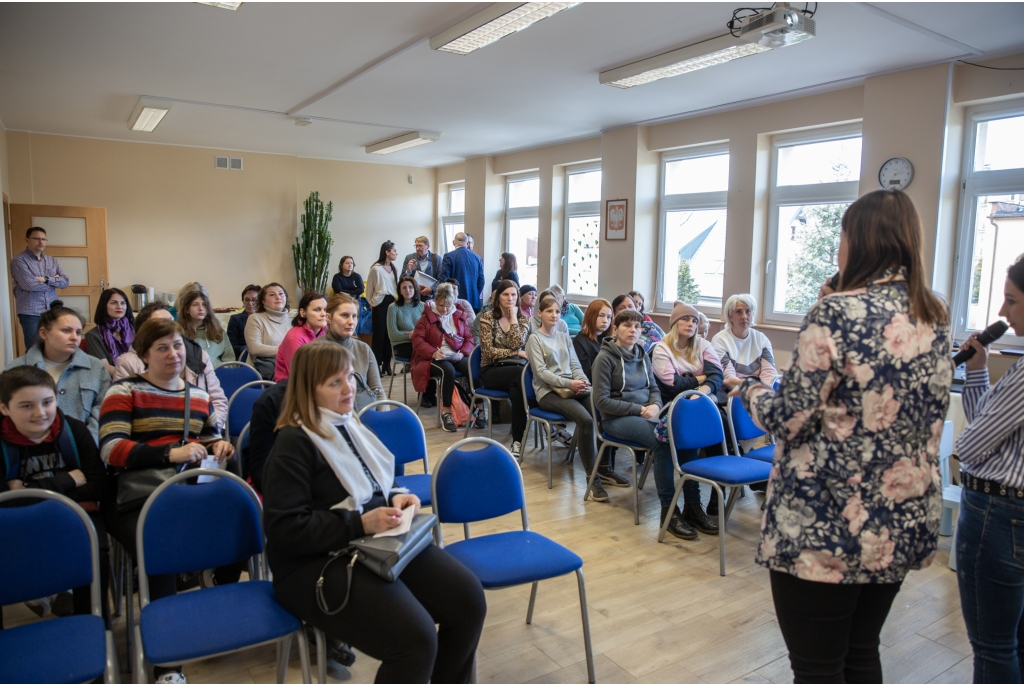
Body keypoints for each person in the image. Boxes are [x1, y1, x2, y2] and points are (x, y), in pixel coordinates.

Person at [736, 189, 951, 684]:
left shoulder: (835, 314)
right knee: (860, 653)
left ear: (858, 241)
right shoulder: (934, 315)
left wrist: (749, 391)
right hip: (898, 517)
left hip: (827, 523)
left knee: (817, 668)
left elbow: (790, 418)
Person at [262, 341, 486, 683]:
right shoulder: (294, 441)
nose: (349, 388)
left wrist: (397, 496)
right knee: (416, 640)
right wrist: (359, 523)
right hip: (313, 564)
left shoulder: (347, 423)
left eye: (349, 377)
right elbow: (284, 529)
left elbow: (374, 482)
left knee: (469, 601)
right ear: (308, 390)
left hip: (372, 542)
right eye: (334, 383)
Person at [100, 317, 235, 684]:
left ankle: (215, 593)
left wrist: (218, 444)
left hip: (187, 493)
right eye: (162, 348)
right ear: (144, 355)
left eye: (177, 346)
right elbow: (111, 449)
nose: (173, 354)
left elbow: (208, 437)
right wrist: (168, 454)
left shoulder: (199, 396)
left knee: (242, 522)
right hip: (139, 497)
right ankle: (168, 666)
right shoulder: (124, 391)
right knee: (164, 544)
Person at [954, 253, 1024, 683]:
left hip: (998, 518)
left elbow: (970, 445)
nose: (1001, 312)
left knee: (994, 648)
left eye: (1011, 300)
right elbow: (990, 432)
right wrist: (977, 371)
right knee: (1015, 637)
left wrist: (967, 440)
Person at [0, 366, 114, 624]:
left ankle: (95, 626)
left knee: (95, 548)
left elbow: (98, 485)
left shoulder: (73, 431)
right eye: (26, 406)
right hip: (16, 526)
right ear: (4, 408)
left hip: (75, 516)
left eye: (47, 402)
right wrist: (67, 479)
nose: (40, 413)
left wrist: (26, 491)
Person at [593, 309, 693, 540]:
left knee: (684, 435)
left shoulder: (643, 354)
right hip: (615, 419)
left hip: (647, 414)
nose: (633, 330)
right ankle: (669, 511)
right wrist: (639, 409)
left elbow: (654, 389)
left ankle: (693, 504)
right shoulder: (605, 358)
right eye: (627, 325)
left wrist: (656, 406)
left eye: (637, 326)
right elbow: (601, 402)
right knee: (662, 443)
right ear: (615, 329)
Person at [527, 294, 621, 500]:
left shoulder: (563, 336)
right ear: (540, 314)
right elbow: (541, 373)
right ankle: (592, 479)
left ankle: (605, 467)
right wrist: (570, 383)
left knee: (601, 408)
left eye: (557, 311)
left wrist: (583, 382)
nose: (554, 315)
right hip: (548, 392)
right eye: (549, 311)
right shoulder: (534, 339)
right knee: (586, 420)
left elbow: (575, 365)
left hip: (572, 386)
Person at [650, 300, 724, 537]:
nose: (691, 323)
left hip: (700, 406)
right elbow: (672, 385)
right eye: (685, 319)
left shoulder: (703, 344)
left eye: (694, 320)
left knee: (714, 432)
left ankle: (694, 506)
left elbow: (717, 375)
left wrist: (702, 391)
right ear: (674, 323)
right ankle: (669, 511)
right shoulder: (662, 348)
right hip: (669, 408)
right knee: (671, 444)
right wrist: (700, 380)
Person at [5, 301, 111, 443]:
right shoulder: (17, 368)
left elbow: (103, 409)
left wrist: (87, 443)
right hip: (32, 450)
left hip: (84, 445)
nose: (75, 337)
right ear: (44, 333)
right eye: (66, 331)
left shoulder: (95, 367)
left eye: (78, 332)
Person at [114, 301, 229, 431]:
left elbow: (218, 401)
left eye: (171, 321)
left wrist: (207, 434)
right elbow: (122, 423)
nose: (169, 327)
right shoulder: (128, 363)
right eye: (161, 323)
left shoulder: (199, 355)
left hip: (197, 437)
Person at [411, 283, 473, 432]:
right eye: (441, 305)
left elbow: (469, 339)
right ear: (435, 301)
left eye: (448, 305)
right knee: (448, 371)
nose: (445, 309)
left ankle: (477, 407)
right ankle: (446, 412)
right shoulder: (426, 318)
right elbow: (418, 341)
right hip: (430, 358)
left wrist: (463, 353)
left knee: (472, 367)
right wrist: (433, 352)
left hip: (455, 354)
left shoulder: (458, 316)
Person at [477, 280, 529, 457]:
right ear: (498, 297)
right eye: (506, 294)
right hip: (490, 371)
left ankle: (517, 441)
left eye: (514, 294)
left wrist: (513, 317)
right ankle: (543, 421)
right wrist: (514, 352)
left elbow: (518, 341)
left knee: (518, 391)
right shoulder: (488, 318)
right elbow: (487, 351)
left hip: (513, 372)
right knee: (521, 377)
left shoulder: (523, 320)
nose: (510, 298)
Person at [10, 226, 69, 350]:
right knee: (34, 348)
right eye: (36, 238)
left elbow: (65, 282)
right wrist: (54, 280)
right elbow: (30, 285)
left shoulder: (52, 260)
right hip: (31, 312)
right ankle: (34, 370)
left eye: (43, 239)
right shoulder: (19, 261)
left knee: (54, 346)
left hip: (53, 311)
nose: (41, 242)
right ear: (27, 240)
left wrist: (46, 279)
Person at [323, 294, 386, 409]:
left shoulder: (364, 349)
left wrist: (381, 419)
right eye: (344, 315)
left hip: (365, 416)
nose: (351, 321)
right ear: (329, 317)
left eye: (354, 316)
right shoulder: (313, 351)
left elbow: (378, 391)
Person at [713, 294, 779, 392]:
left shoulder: (761, 338)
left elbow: (769, 374)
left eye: (748, 311)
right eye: (738, 312)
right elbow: (728, 379)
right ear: (730, 316)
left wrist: (765, 393)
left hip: (759, 389)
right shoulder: (720, 340)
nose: (744, 316)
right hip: (732, 391)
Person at [274, 292, 328, 382]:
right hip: (291, 388)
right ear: (303, 313)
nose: (323, 314)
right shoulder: (294, 338)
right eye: (317, 310)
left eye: (326, 310)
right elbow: (299, 376)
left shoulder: (326, 332)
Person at [177, 284, 235, 366]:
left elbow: (231, 361)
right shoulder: (179, 333)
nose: (201, 308)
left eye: (204, 304)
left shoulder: (217, 331)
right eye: (195, 304)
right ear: (186, 309)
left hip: (218, 375)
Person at [245, 282, 291, 380]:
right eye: (272, 294)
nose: (278, 297)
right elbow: (255, 348)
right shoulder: (255, 318)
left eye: (281, 293)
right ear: (263, 301)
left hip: (291, 369)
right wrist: (286, 350)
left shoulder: (294, 320)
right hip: (262, 373)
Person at [366, 241, 399, 377]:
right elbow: (369, 289)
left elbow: (396, 287)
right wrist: (372, 303)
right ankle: (376, 366)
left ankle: (387, 363)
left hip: (392, 302)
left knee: (389, 336)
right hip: (379, 303)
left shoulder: (393, 268)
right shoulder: (376, 269)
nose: (396, 253)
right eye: (394, 251)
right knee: (379, 336)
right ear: (387, 251)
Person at [84, 288, 135, 375]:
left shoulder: (136, 329)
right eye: (113, 303)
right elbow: (103, 366)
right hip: (113, 380)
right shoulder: (93, 335)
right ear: (104, 306)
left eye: (123, 303)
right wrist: (132, 377)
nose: (119, 306)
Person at [439, 232, 485, 312]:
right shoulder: (477, 258)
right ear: (467, 243)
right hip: (474, 302)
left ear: (453, 242)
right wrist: (474, 294)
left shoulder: (449, 256)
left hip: (455, 303)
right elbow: (481, 281)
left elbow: (444, 279)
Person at [573, 298, 614, 382]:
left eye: (609, 317)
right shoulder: (580, 341)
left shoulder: (609, 340)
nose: (605, 321)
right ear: (591, 316)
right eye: (601, 315)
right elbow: (587, 373)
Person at [387, 277, 425, 360]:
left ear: (415, 288)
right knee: (424, 352)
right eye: (404, 288)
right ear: (400, 291)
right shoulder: (393, 307)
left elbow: (428, 329)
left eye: (410, 287)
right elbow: (393, 335)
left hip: (420, 342)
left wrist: (415, 334)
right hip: (402, 345)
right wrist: (412, 335)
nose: (407, 290)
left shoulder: (423, 306)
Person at [227, 285, 260, 359]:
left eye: (254, 300)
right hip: (244, 355)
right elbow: (231, 346)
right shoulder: (235, 319)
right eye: (247, 300)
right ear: (243, 301)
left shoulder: (265, 318)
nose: (250, 303)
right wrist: (250, 350)